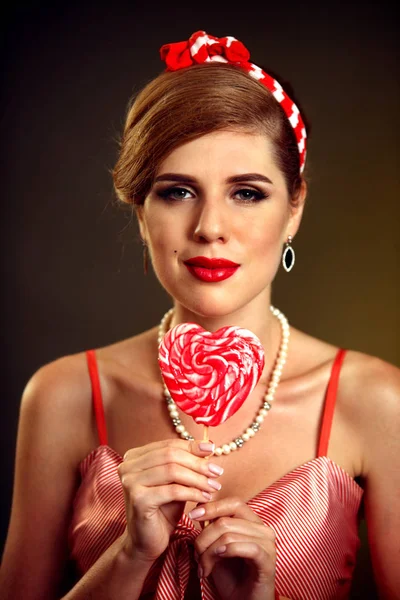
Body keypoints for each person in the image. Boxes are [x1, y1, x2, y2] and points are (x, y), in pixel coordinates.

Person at [0, 30, 399, 600]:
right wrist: (130, 554)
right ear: (141, 214)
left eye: (247, 193)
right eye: (177, 192)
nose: (210, 227)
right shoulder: (62, 396)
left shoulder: (376, 402)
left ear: (294, 211)